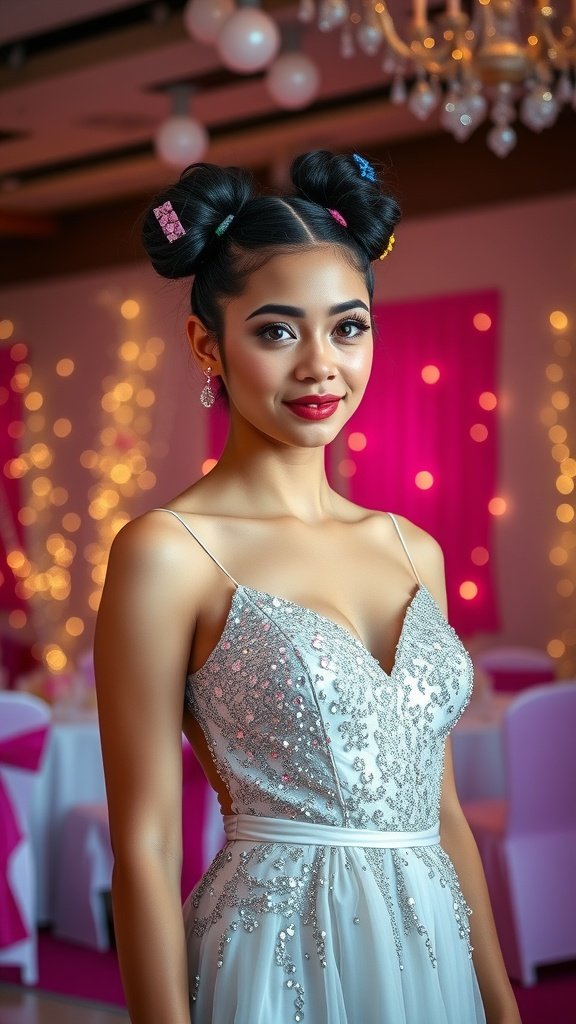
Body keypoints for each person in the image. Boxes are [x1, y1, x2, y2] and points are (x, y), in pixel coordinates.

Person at [94, 150, 521, 1024]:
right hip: (273, 959)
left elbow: (439, 815)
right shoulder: (168, 552)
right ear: (207, 343)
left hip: (431, 956)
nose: (322, 365)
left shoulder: (412, 548)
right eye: (279, 331)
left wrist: (501, 1004)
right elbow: (143, 843)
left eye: (349, 327)